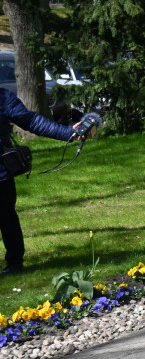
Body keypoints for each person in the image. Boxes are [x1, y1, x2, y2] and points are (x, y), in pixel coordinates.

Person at [0, 93, 92, 274]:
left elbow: (32, 121)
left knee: (6, 217)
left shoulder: (2, 98)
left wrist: (68, 133)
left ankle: (14, 264)